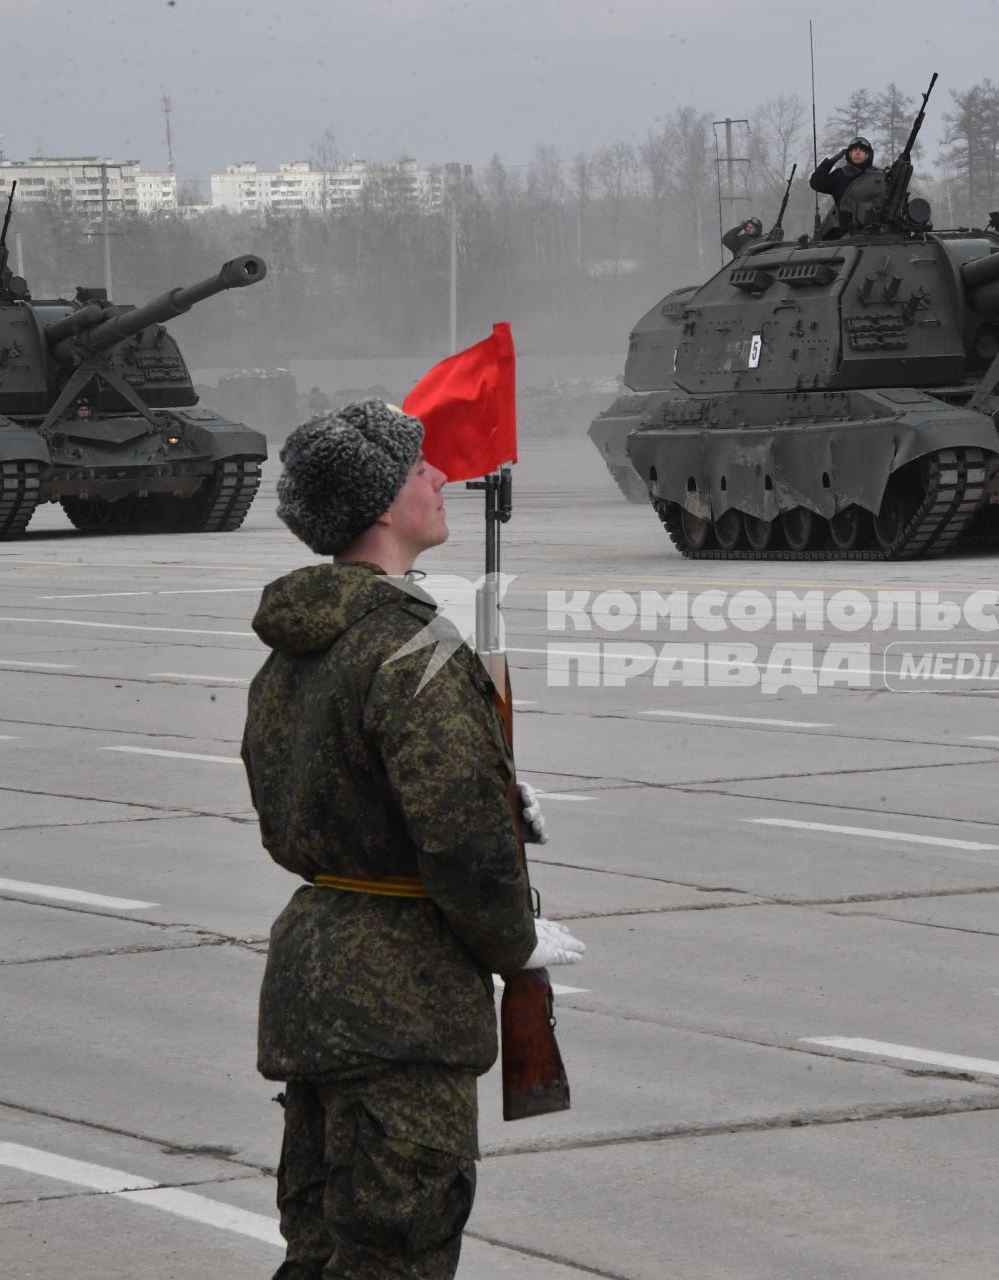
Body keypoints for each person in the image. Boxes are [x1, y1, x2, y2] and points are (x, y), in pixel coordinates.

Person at [242, 399, 586, 1280]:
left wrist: (493, 781)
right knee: (395, 1255)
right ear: (381, 504)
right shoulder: (411, 644)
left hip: (316, 974)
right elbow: (463, 841)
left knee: (320, 1250)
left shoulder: (299, 641)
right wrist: (514, 939)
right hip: (403, 998)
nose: (440, 480)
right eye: (419, 468)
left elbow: (311, 792)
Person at [809, 137, 875, 207]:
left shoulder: (877, 176)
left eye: (861, 150)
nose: (857, 153)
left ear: (867, 154)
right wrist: (830, 161)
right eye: (854, 150)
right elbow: (816, 183)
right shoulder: (840, 175)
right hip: (846, 216)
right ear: (849, 154)